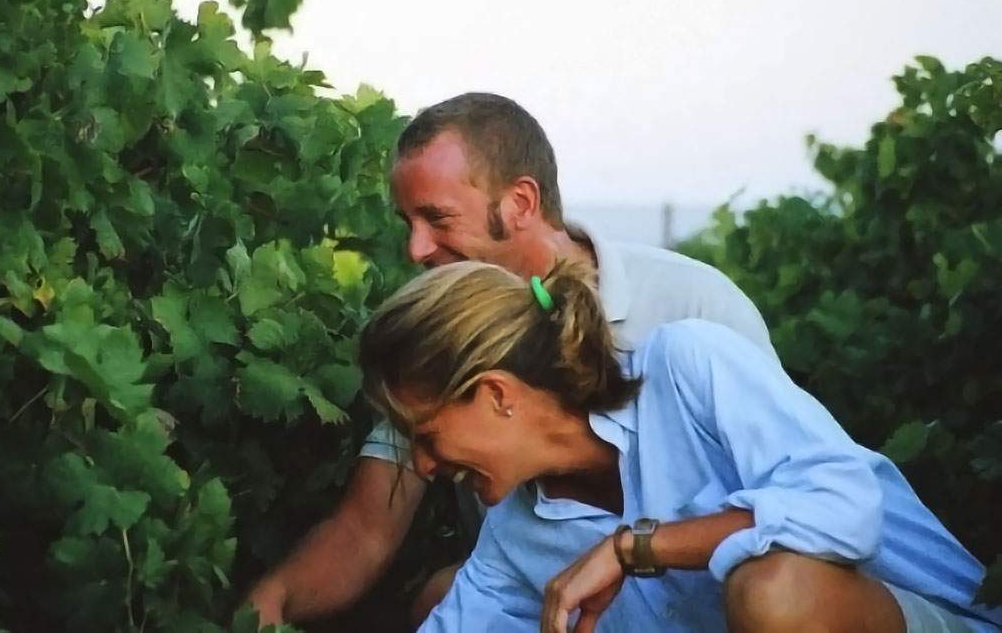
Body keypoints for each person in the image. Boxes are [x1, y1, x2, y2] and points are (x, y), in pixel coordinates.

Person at [245, 92, 777, 626]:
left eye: (437, 218)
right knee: (444, 595)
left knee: (772, 583)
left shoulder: (693, 311)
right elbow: (364, 530)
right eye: (407, 223)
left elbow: (801, 497)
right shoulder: (444, 340)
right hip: (559, 594)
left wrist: (634, 549)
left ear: (521, 203)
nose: (416, 249)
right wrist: (266, 609)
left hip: (716, 582)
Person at [358, 259, 1002, 633]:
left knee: (774, 590)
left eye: (427, 434)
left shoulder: (688, 366)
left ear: (497, 394)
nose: (421, 465)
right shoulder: (514, 533)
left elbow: (845, 510)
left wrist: (634, 548)